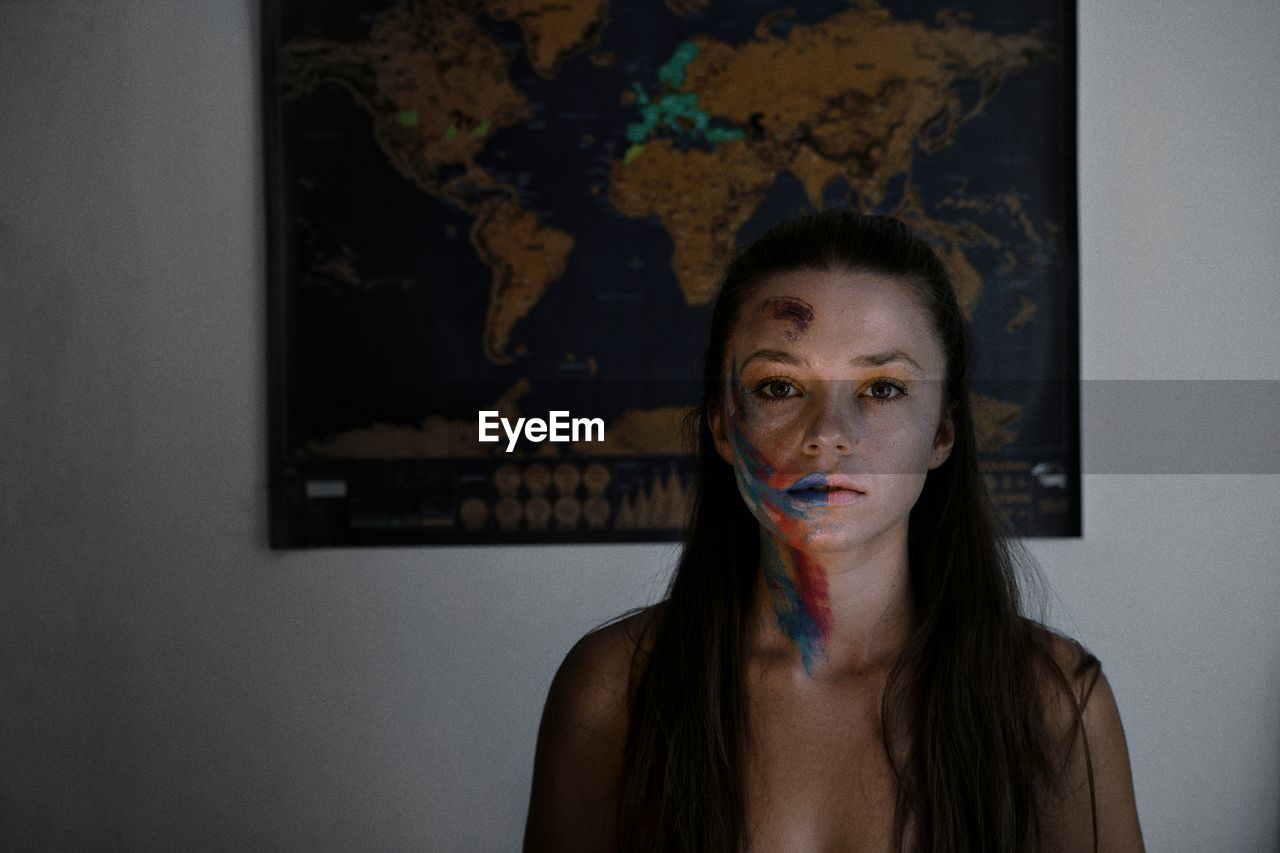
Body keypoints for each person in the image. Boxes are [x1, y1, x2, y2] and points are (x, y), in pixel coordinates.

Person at [523, 210, 1144, 852]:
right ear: (720, 428)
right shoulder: (613, 691)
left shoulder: (1052, 704)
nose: (828, 432)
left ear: (942, 432)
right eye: (780, 385)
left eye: (882, 387)